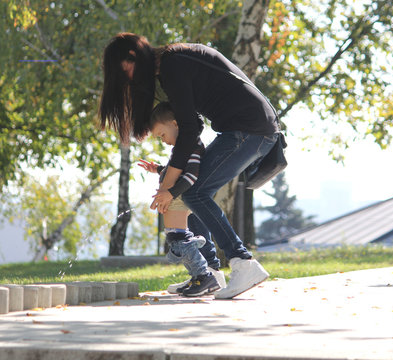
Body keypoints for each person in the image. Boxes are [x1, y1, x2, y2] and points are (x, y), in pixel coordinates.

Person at [99, 33, 281, 299]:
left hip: (251, 129)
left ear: (133, 56)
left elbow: (187, 132)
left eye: (122, 70)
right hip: (245, 129)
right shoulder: (169, 68)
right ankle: (209, 273)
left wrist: (169, 187)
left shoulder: (174, 64)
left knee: (193, 192)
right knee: (192, 191)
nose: (124, 78)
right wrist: (170, 181)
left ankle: (243, 262)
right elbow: (193, 125)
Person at [138, 102, 226, 297]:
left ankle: (204, 276)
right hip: (177, 198)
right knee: (177, 238)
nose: (163, 140)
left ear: (176, 124)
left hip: (180, 198)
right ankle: (198, 276)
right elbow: (179, 171)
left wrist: (171, 193)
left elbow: (191, 175)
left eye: (162, 135)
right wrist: (159, 169)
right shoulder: (183, 148)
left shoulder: (191, 145)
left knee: (178, 239)